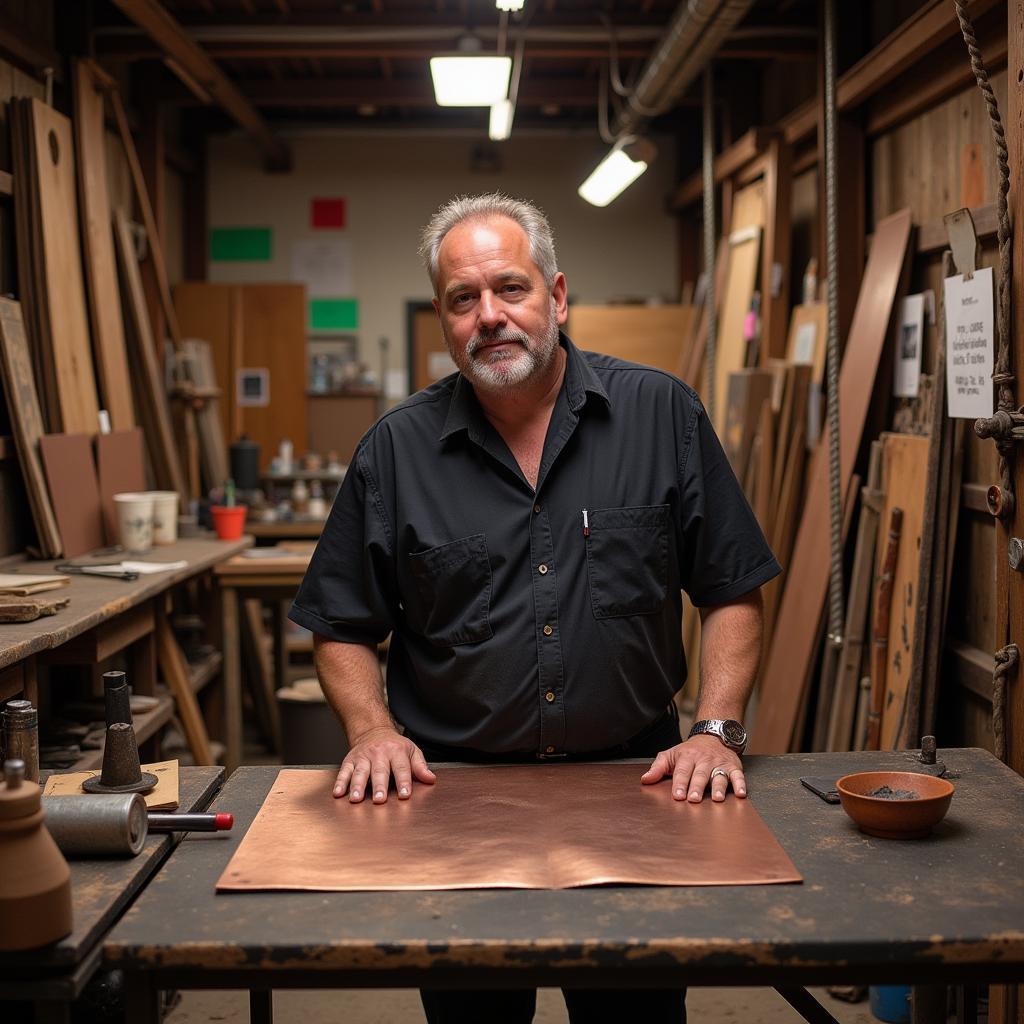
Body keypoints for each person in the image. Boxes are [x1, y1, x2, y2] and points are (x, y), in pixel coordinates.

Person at [289, 193, 781, 1023]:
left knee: (636, 1019)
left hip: (640, 792)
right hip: (454, 806)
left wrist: (716, 725)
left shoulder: (662, 415)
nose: (489, 316)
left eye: (510, 289)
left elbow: (733, 589)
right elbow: (340, 626)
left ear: (556, 296)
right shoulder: (396, 451)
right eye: (461, 299)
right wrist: (373, 731)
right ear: (443, 319)